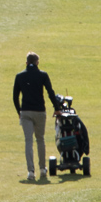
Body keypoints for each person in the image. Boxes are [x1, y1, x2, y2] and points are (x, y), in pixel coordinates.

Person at [12, 52, 62, 184]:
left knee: (28, 140)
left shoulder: (19, 76)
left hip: (26, 112)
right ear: (37, 62)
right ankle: (43, 169)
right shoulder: (42, 75)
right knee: (40, 139)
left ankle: (30, 171)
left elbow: (15, 97)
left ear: (26, 62)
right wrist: (56, 108)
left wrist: (19, 111)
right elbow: (50, 92)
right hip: (39, 111)